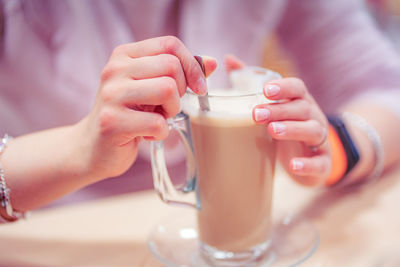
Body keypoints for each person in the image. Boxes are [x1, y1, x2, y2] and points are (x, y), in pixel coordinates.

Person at [1, 0, 400, 221]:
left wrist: (334, 144)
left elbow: (381, 87)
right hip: (53, 232)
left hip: (224, 225)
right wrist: (78, 149)